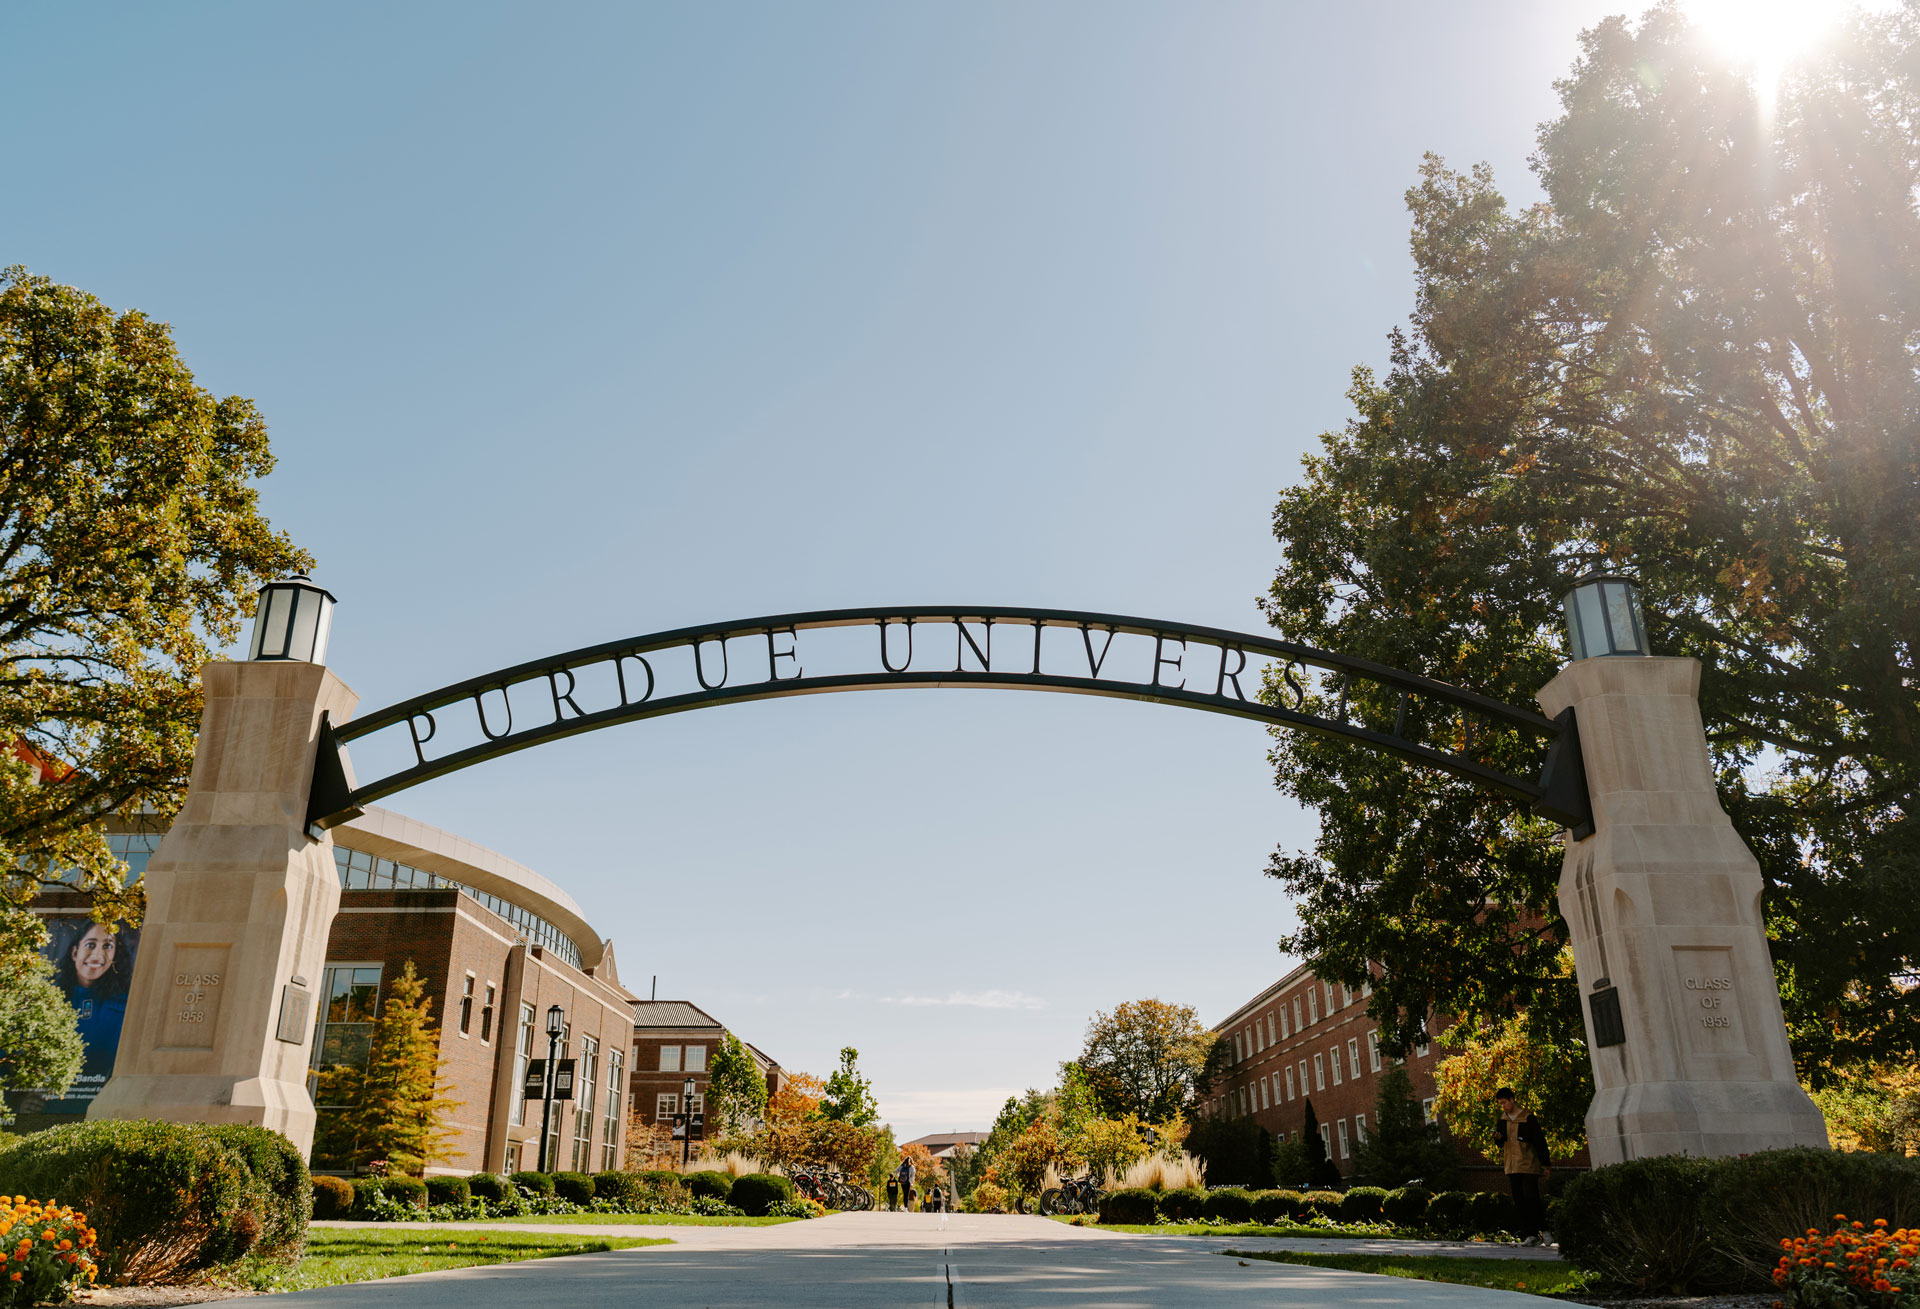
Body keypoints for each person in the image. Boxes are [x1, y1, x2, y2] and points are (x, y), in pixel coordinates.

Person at [1492, 1087, 1552, 1245]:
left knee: (1531, 1197)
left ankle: (1545, 1231)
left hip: (1528, 1164)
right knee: (1519, 1200)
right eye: (1500, 1104)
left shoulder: (1528, 1118)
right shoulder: (1502, 1120)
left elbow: (1540, 1142)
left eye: (1504, 1102)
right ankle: (1531, 1234)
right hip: (1511, 1166)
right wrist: (1497, 1138)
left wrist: (1546, 1164)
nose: (1503, 1106)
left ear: (1512, 1100)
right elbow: (1501, 1142)